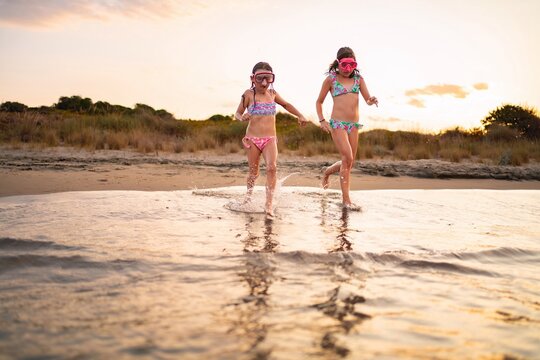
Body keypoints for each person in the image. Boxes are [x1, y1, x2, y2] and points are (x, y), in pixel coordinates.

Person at [235, 61, 307, 216]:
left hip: (270, 139)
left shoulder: (273, 94)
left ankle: (268, 204)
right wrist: (242, 117)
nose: (264, 82)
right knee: (253, 172)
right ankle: (248, 198)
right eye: (260, 78)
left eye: (268, 78)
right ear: (253, 78)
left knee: (272, 167)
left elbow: (287, 105)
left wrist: (300, 115)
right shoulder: (248, 95)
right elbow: (237, 113)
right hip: (252, 140)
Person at [315, 47, 378, 210]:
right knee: (348, 157)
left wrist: (371, 100)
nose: (347, 68)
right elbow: (319, 101)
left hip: (353, 126)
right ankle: (346, 200)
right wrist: (322, 120)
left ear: (355, 65)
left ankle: (328, 172)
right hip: (337, 124)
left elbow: (367, 100)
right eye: (344, 65)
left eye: (351, 65)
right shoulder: (331, 80)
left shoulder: (359, 79)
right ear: (338, 63)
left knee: (349, 162)